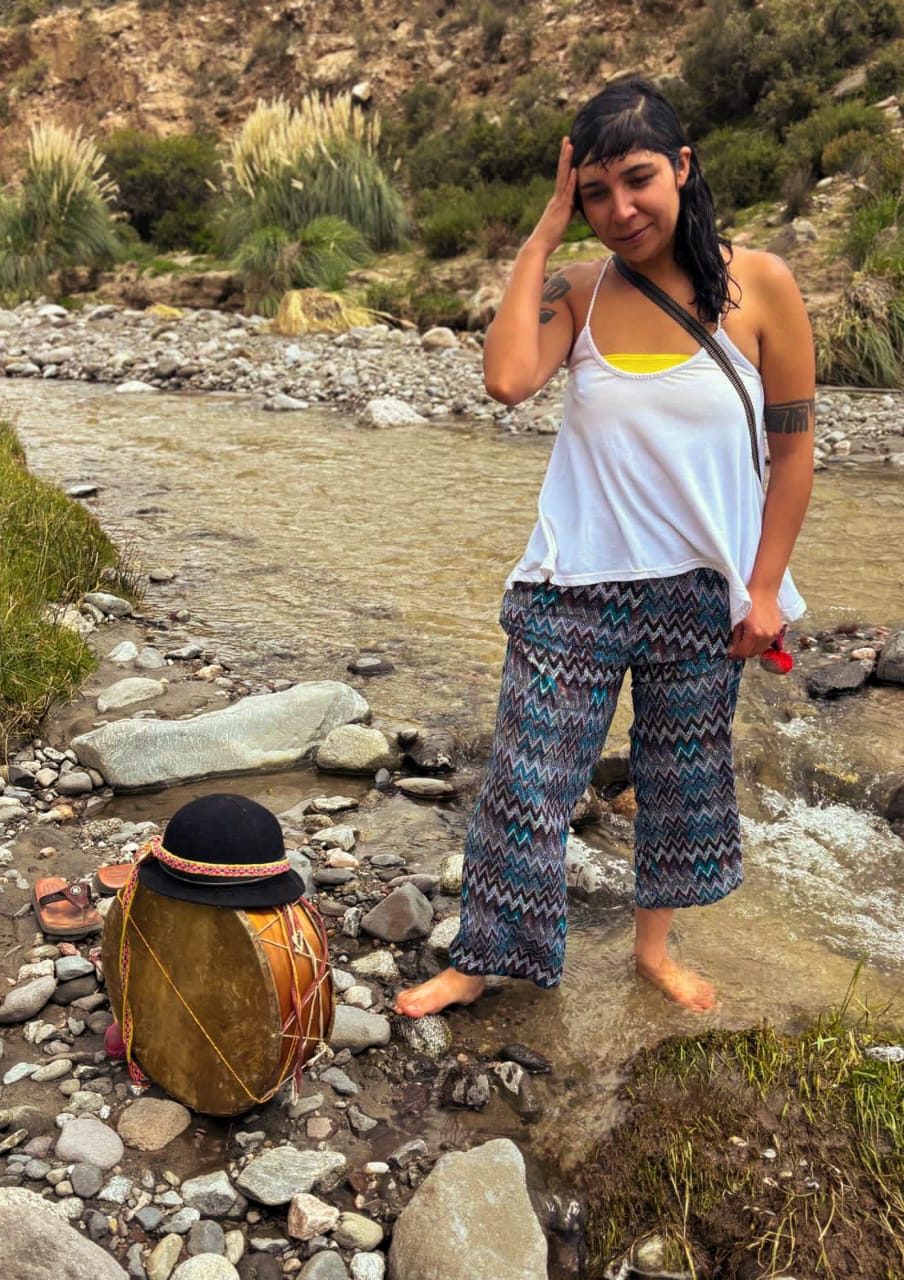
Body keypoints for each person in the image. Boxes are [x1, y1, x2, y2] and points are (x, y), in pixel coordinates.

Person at [396, 78, 814, 1017]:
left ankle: (651, 951)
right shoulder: (580, 290)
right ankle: (482, 958)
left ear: (683, 167)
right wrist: (542, 239)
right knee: (526, 783)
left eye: (638, 180)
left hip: (703, 592)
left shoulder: (762, 286)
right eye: (595, 193)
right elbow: (508, 381)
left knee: (680, 782)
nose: (620, 209)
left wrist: (764, 589)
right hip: (572, 584)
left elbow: (793, 453)